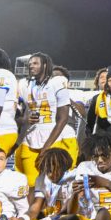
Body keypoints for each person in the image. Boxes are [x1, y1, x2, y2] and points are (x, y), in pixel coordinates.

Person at [17, 52, 78, 186]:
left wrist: (45, 148)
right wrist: (24, 120)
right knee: (31, 183)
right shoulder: (23, 84)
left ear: (45, 65)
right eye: (30, 64)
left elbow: (63, 118)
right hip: (31, 137)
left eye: (35, 63)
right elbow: (14, 114)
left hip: (56, 137)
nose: (31, 66)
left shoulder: (57, 81)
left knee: (56, 182)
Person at [82, 65, 111, 139]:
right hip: (100, 140)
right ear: (107, 82)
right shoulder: (97, 98)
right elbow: (90, 123)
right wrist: (90, 140)